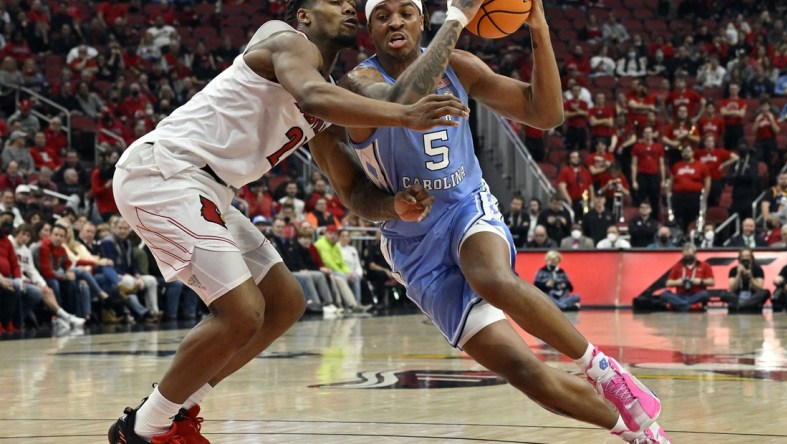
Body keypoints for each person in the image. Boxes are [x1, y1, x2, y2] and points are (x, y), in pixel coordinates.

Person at [107, 0, 468, 441]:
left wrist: (394, 206)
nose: (349, 7)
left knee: (285, 303)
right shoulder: (284, 39)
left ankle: (174, 410)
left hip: (209, 190)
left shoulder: (331, 92)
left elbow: (353, 189)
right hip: (164, 173)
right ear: (303, 15)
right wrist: (405, 115)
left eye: (352, 3)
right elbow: (323, 97)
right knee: (241, 312)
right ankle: (144, 430)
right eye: (334, 2)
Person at [338, 0, 669, 441]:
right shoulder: (359, 82)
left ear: (420, 20)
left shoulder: (460, 66)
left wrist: (539, 28)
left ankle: (605, 371)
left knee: (490, 275)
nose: (395, 21)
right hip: (412, 245)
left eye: (405, 12)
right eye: (383, 16)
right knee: (524, 372)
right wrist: (456, 19)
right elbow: (404, 99)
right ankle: (639, 435)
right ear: (370, 28)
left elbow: (546, 114)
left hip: (464, 205)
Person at [657, 243, 714, 312]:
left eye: (690, 256)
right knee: (664, 294)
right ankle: (690, 307)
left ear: (695, 254)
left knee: (705, 294)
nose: (688, 259)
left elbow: (712, 282)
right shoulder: (677, 266)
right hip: (680, 295)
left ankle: (678, 306)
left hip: (696, 295)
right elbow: (668, 283)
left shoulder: (704, 265)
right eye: (686, 257)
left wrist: (700, 281)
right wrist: (678, 282)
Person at [720, 248, 770, 313]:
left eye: (747, 256)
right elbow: (732, 288)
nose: (745, 258)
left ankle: (741, 306)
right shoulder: (734, 270)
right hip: (738, 296)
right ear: (739, 259)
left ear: (752, 258)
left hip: (752, 296)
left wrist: (751, 277)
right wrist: (738, 274)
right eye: (743, 256)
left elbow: (759, 288)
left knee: (766, 292)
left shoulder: (758, 269)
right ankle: (747, 305)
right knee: (723, 294)